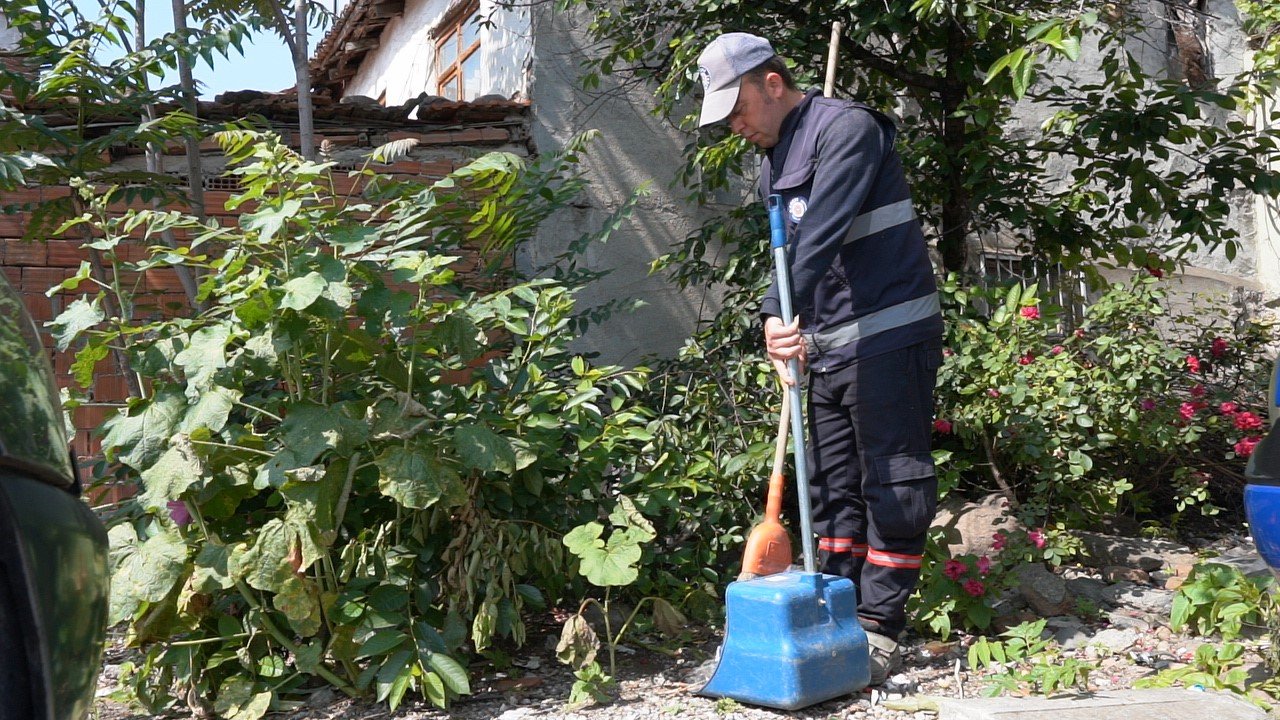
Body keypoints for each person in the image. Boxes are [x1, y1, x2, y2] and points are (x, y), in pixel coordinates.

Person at [696, 32, 945, 685]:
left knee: (891, 482)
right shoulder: (774, 160)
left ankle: (879, 626)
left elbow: (820, 237)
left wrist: (774, 312)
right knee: (831, 487)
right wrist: (786, 325)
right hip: (827, 346)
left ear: (772, 83)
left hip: (889, 335)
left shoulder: (848, 130)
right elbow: (792, 255)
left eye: (737, 107)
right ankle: (835, 615)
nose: (734, 125)